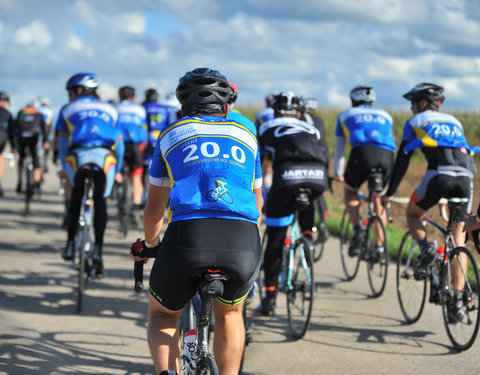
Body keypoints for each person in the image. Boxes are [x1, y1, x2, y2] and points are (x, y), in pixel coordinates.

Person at [131, 67, 262, 375]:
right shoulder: (247, 136)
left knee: (163, 315)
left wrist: (151, 245)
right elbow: (258, 202)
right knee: (231, 315)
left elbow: (154, 209)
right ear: (228, 107)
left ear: (182, 108)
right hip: (241, 238)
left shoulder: (172, 134)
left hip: (188, 237)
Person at [384, 83, 476, 317]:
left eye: (413, 103)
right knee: (458, 239)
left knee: (413, 214)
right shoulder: (454, 121)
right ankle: (456, 302)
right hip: (466, 177)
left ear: (422, 103)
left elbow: (402, 161)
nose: (412, 108)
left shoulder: (414, 122)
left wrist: (390, 192)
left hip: (439, 175)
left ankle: (428, 250)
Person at [257, 91, 329, 316]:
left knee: (275, 241)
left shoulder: (266, 126)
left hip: (287, 176)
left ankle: (269, 297)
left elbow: (258, 161)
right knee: (307, 204)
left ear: (275, 111)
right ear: (298, 112)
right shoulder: (311, 127)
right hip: (317, 176)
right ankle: (307, 241)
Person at [57, 72, 124, 278]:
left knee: (77, 191)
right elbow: (119, 143)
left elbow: (62, 143)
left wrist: (63, 168)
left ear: (78, 90)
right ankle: (98, 252)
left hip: (78, 155)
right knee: (101, 200)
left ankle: (69, 244)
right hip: (105, 157)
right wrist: (119, 170)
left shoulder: (67, 109)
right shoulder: (111, 109)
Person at [334, 85, 396, 256]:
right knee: (378, 200)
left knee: (350, 193)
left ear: (353, 100)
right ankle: (379, 246)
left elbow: (340, 149)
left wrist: (338, 174)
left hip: (362, 154)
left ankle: (357, 230)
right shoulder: (386, 116)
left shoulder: (345, 115)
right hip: (387, 156)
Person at [301, 97, 330, 243]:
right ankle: (323, 224)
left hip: (302, 160)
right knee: (319, 194)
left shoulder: (299, 118)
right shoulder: (319, 121)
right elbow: (323, 144)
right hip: (321, 159)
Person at [116, 86, 147, 223]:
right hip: (134, 145)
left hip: (119, 144)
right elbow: (143, 130)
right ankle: (135, 208)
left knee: (117, 172)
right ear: (133, 96)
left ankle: (119, 195)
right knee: (136, 176)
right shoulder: (139, 109)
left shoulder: (115, 108)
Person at [14, 100, 49, 194]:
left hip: (22, 138)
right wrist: (45, 141)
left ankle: (20, 181)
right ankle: (37, 184)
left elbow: (15, 127)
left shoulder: (21, 113)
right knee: (36, 161)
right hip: (34, 138)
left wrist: (15, 145)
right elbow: (44, 129)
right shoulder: (38, 114)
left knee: (22, 158)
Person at [142, 88, 171, 171]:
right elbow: (168, 123)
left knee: (146, 158)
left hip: (148, 135)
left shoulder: (144, 107)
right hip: (161, 135)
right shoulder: (165, 108)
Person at [0, 92, 16, 197]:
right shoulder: (8, 113)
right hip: (1, 136)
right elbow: (12, 133)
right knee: (0, 157)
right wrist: (14, 147)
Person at [37, 97, 54, 173]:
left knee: (37, 153)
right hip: (46, 135)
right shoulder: (49, 112)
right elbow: (49, 126)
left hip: (37, 135)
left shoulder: (38, 110)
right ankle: (45, 163)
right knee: (46, 152)